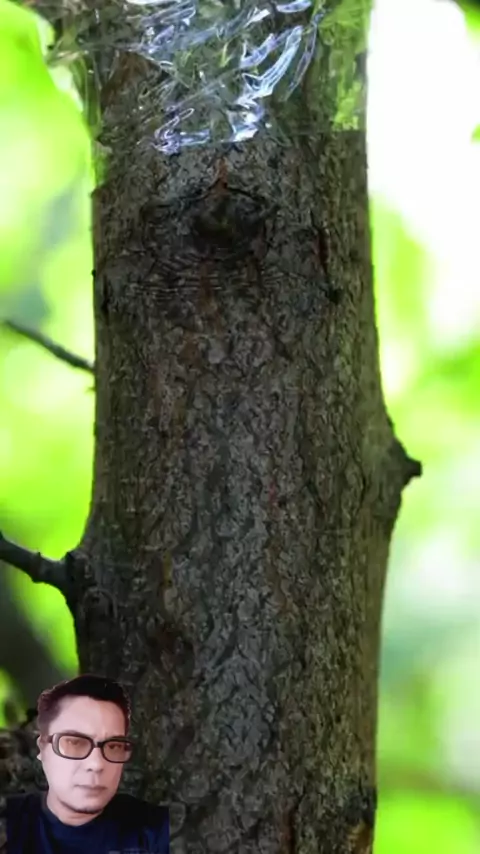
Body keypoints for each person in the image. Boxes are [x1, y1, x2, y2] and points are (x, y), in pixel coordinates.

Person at [5, 673, 169, 853]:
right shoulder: (11, 823)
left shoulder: (156, 831)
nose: (96, 764)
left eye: (113, 746)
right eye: (75, 743)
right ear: (42, 748)